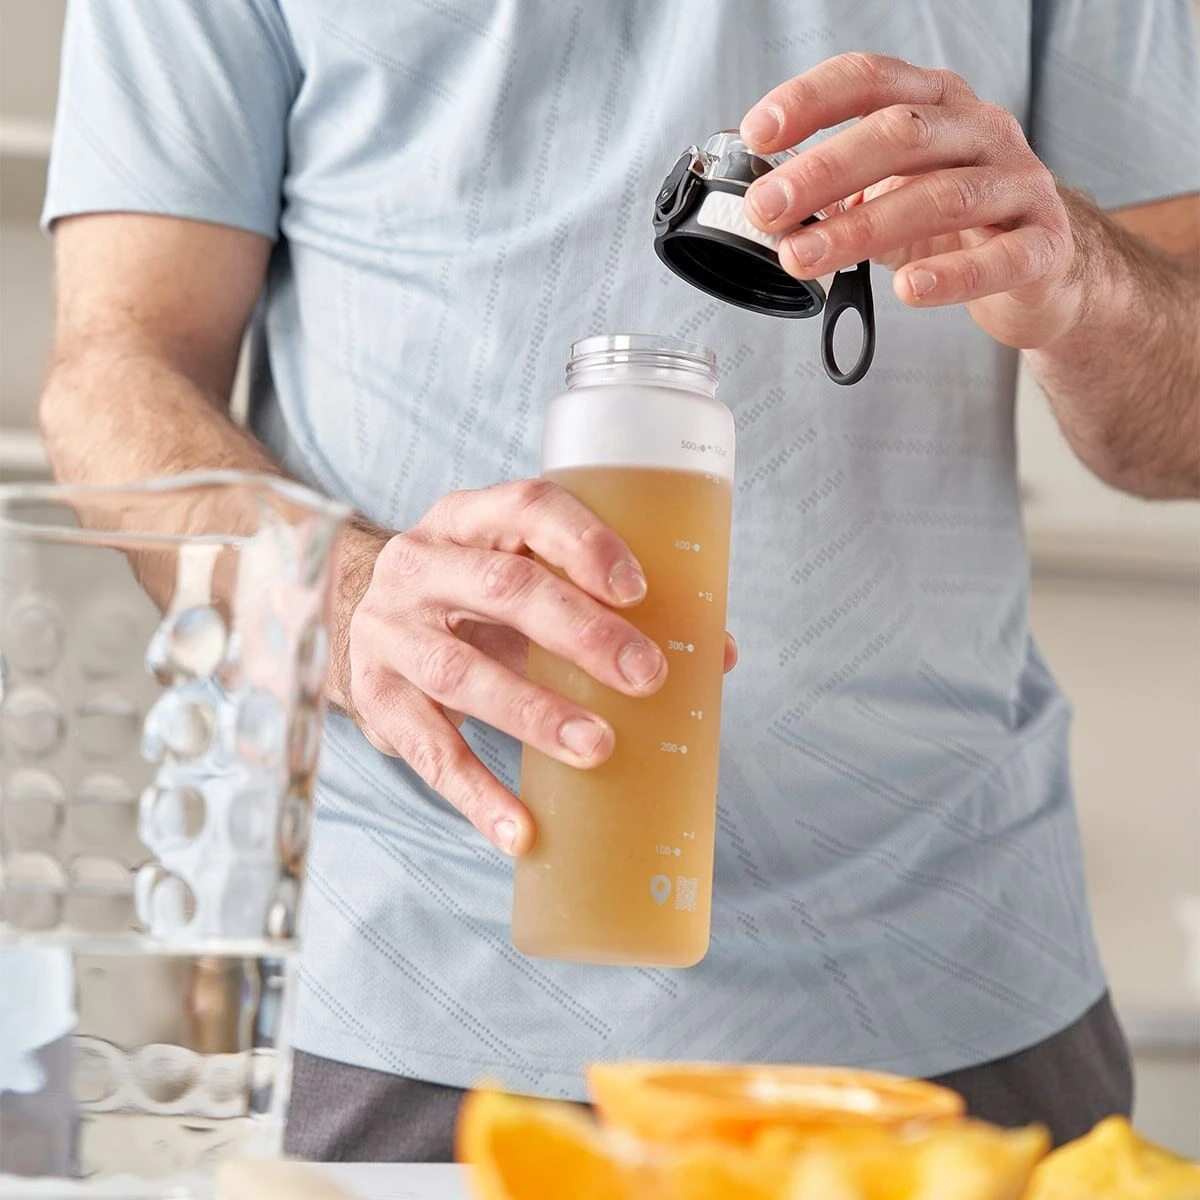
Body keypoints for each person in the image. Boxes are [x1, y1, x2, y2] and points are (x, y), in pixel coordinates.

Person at [35, 0, 1198, 1163]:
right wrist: (343, 597)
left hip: (952, 988)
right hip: (416, 989)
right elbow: (114, 373)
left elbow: (1179, 424)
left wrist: (1083, 274)